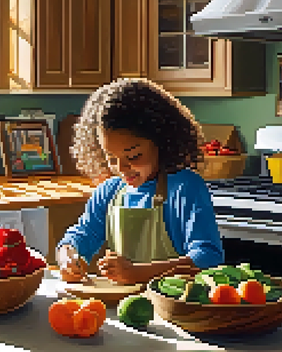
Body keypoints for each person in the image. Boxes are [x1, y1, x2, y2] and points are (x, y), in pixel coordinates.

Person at [56, 78, 224, 285]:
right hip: (126, 309)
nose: (122, 168)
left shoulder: (185, 187)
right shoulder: (108, 192)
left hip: (176, 309)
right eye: (111, 159)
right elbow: (83, 234)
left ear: (161, 141)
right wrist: (67, 256)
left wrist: (139, 273)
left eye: (134, 156)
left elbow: (208, 258)